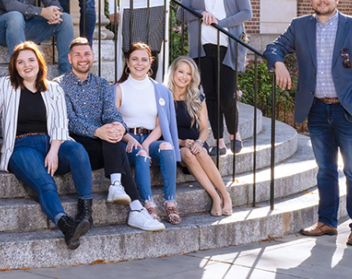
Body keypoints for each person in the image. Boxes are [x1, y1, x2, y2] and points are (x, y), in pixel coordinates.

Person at [265, 0, 352, 247]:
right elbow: (273, 47)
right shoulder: (300, 26)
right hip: (316, 110)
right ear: (310, 0)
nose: (322, 0)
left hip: (348, 111)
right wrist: (278, 63)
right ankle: (327, 221)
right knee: (325, 169)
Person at [0, 41, 94, 249]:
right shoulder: (5, 86)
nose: (27, 65)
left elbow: (61, 124)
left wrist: (53, 151)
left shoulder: (54, 89)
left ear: (39, 62)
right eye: (20, 62)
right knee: (45, 182)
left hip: (53, 143)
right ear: (14, 66)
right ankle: (66, 225)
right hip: (22, 147)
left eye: (31, 60)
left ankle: (85, 213)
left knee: (78, 150)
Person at [57, 38, 165, 231]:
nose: (83, 58)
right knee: (110, 136)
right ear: (69, 58)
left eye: (87, 54)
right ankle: (135, 207)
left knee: (113, 130)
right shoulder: (59, 85)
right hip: (75, 147)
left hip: (103, 145)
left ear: (93, 57)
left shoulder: (102, 85)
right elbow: (67, 121)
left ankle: (118, 188)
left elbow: (113, 114)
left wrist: (120, 128)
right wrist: (97, 131)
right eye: (78, 55)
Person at [179, 0, 253, 155]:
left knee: (227, 96)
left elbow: (246, 12)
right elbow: (181, 14)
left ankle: (234, 134)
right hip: (202, 48)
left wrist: (222, 23)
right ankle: (219, 142)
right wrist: (201, 13)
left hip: (227, 47)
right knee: (210, 95)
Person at [114, 43, 181, 224]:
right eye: (134, 59)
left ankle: (170, 202)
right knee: (141, 155)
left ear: (150, 63)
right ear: (127, 62)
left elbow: (162, 124)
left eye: (144, 59)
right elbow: (114, 121)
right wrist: (130, 139)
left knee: (167, 147)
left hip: (151, 139)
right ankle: (149, 204)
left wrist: (145, 143)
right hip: (127, 140)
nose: (139, 63)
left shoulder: (159, 90)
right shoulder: (119, 89)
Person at [165, 56, 234, 217]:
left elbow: (204, 128)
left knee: (200, 151)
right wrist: (182, 142)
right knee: (188, 153)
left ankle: (225, 196)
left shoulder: (197, 97)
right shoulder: (164, 95)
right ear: (173, 72)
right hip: (175, 144)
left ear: (192, 77)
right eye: (180, 72)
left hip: (195, 142)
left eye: (188, 74)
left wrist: (198, 141)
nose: (184, 76)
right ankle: (215, 197)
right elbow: (161, 129)